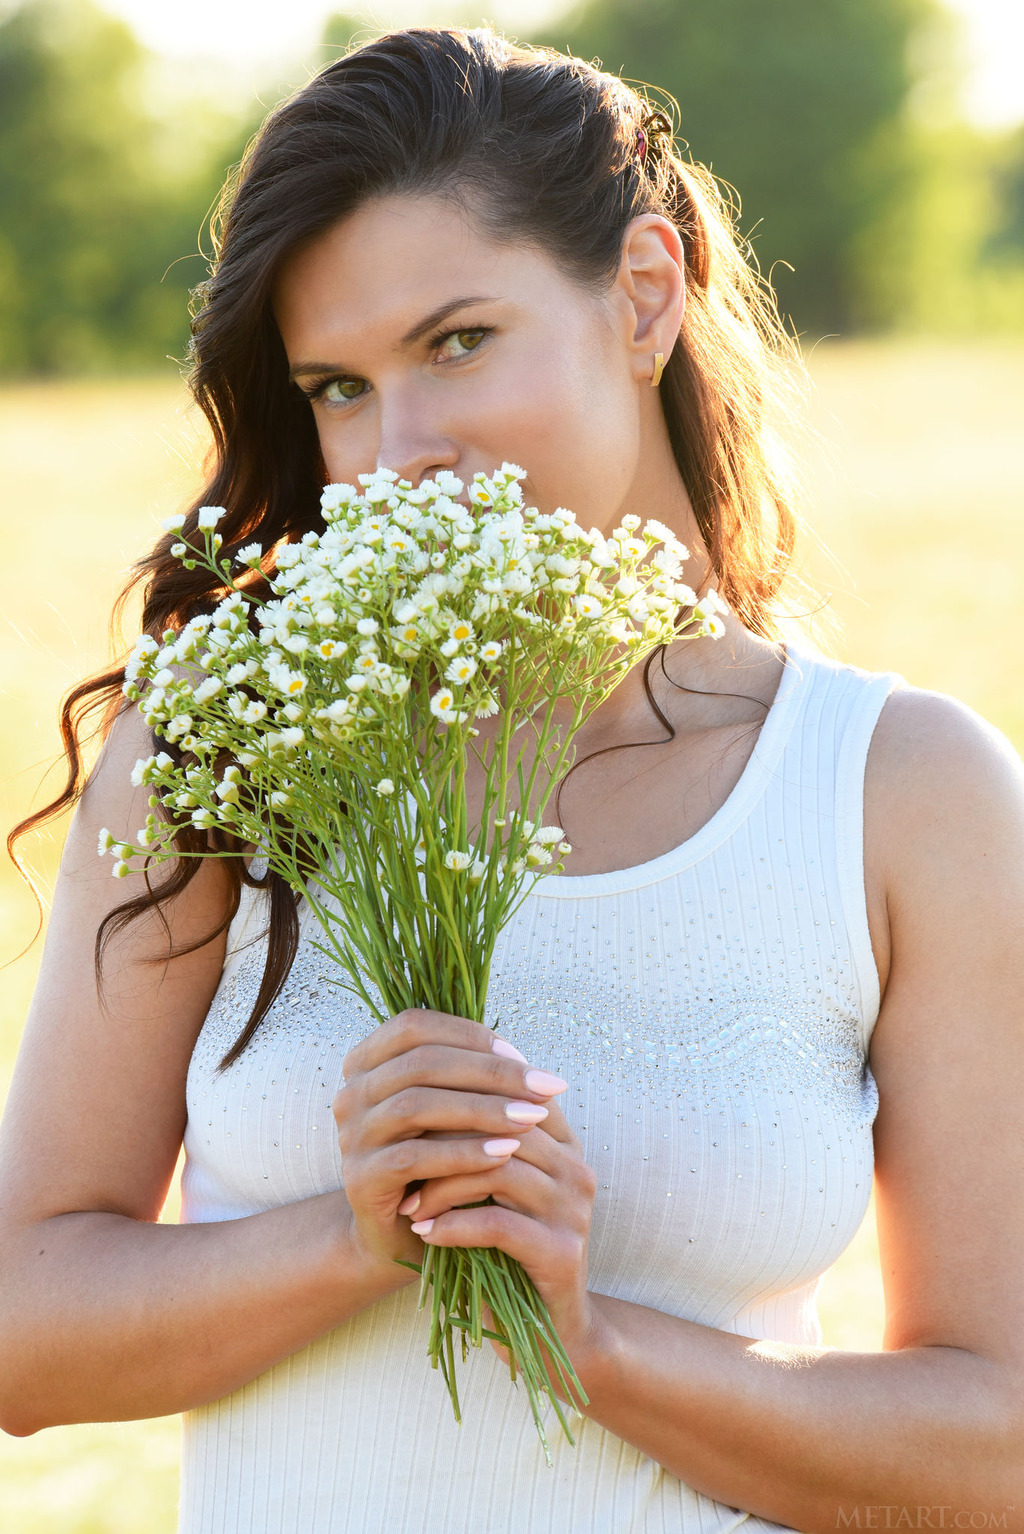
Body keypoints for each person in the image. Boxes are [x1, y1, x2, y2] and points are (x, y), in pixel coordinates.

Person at [2, 23, 1022, 1534]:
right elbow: (24, 1330)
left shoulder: (898, 789)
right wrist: (353, 1239)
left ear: (646, 294)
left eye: (458, 341)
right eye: (336, 387)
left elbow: (995, 1445)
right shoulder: (230, 742)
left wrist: (595, 1340)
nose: (398, 449)